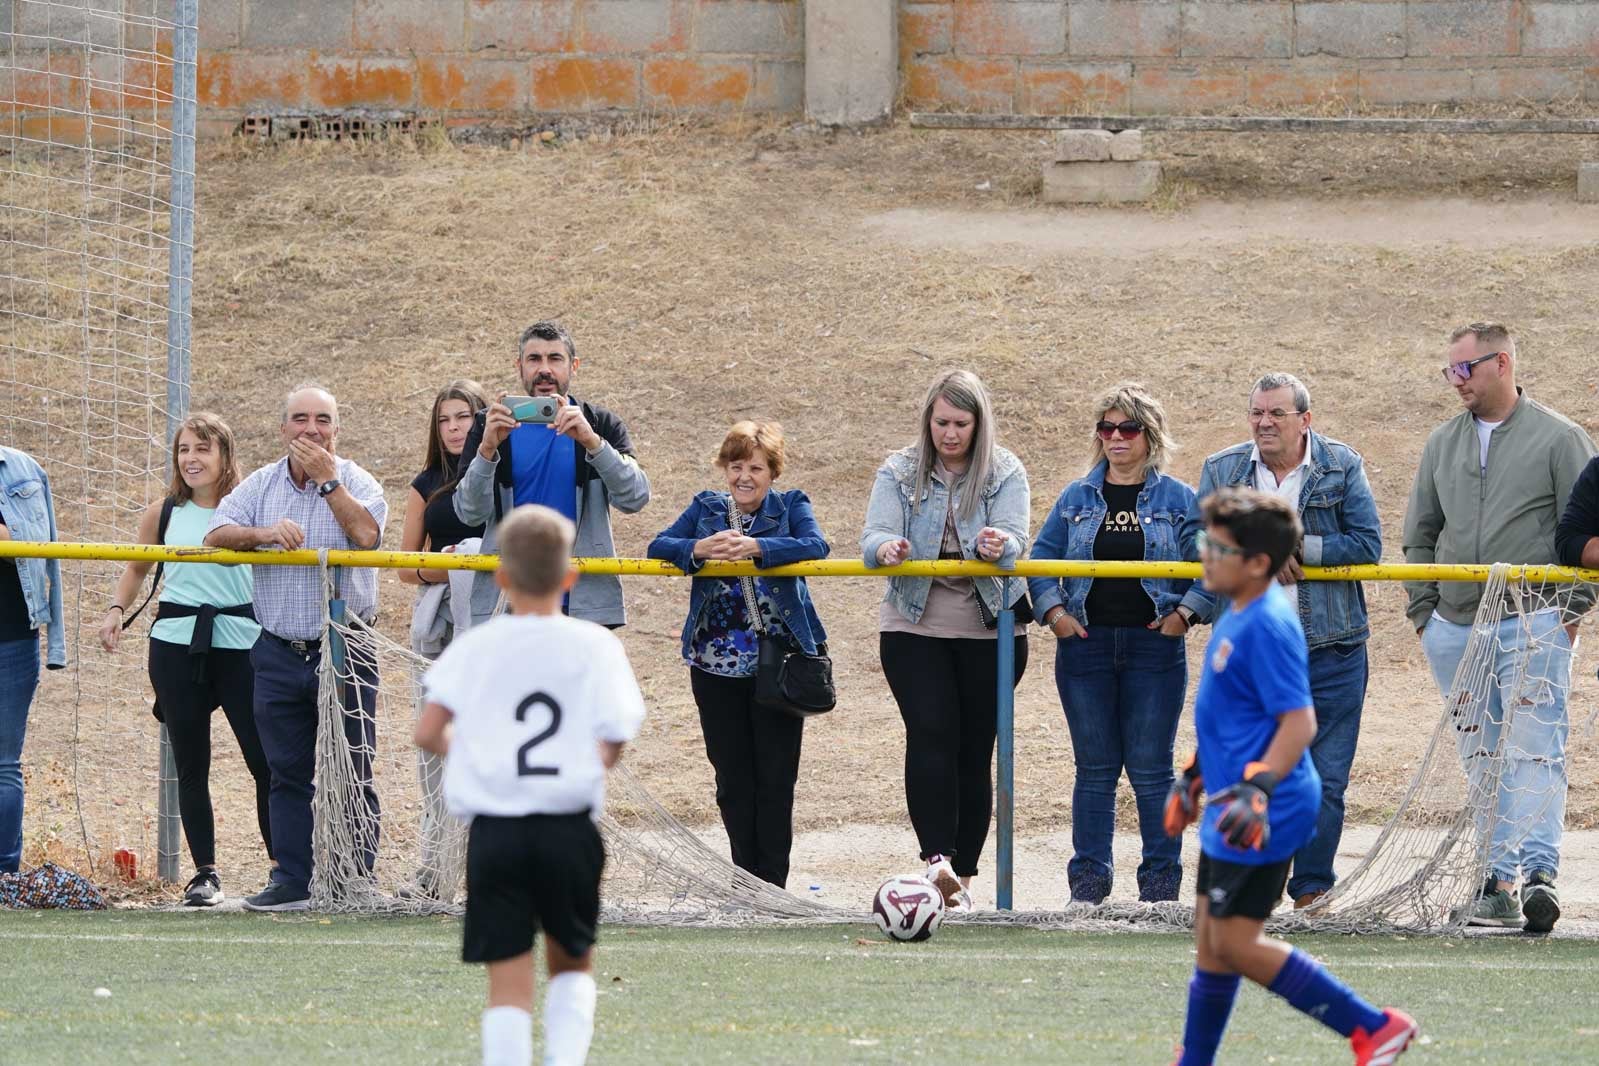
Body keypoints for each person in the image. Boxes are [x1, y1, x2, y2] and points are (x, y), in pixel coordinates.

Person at [1164, 486, 1415, 1066]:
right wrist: (1195, 776)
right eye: (1205, 542)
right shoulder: (1237, 609)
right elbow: (1233, 716)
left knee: (1232, 942)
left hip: (1267, 808)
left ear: (1257, 564)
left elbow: (1299, 723)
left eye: (1217, 548)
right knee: (1210, 937)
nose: (1204, 555)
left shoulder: (1267, 625)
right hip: (1235, 800)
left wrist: (1257, 790)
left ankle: (1374, 1027)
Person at [416, 504, 646, 1066]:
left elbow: (428, 730)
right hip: (567, 828)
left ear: (500, 577)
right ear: (570, 577)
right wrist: (576, 763)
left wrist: (483, 758)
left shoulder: (475, 647)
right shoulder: (596, 646)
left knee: (508, 980)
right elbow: (615, 738)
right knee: (572, 962)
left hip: (497, 832)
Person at [1402, 322, 1594, 933]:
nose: (1455, 381)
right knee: (1480, 756)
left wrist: (1569, 614)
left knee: (1536, 748)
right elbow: (1420, 532)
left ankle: (1540, 877)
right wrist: (1424, 615)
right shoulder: (1441, 442)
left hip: (1534, 619)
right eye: (1449, 371)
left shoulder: (1562, 438)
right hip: (1455, 626)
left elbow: (1581, 529)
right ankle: (1496, 884)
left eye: (1465, 369)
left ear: (1502, 363)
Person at [1178, 372, 1382, 911]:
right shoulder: (1222, 468)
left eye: (1277, 414)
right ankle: (1250, 889)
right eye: (1257, 413)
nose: (1264, 423)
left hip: (1332, 646)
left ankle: (1311, 891)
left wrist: (1299, 549)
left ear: (1305, 420)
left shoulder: (1343, 464)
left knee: (1327, 778)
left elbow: (1367, 545)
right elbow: (1194, 541)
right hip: (1249, 651)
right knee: (1240, 765)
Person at [205, 382, 389, 912]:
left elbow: (367, 538)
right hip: (278, 649)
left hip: (346, 645)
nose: (312, 430)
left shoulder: (355, 479)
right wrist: (261, 534)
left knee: (354, 764)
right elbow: (215, 534)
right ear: (283, 428)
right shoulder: (262, 485)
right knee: (284, 770)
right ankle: (292, 878)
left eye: (322, 421)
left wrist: (330, 484)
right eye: (301, 420)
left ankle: (356, 877)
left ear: (337, 428)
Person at [862, 369, 1030, 912]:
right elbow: (872, 537)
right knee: (930, 731)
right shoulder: (900, 469)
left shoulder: (1005, 470)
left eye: (961, 424)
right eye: (941, 423)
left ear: (979, 425)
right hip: (914, 622)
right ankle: (936, 859)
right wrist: (887, 548)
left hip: (990, 624)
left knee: (975, 748)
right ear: (927, 420)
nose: (950, 434)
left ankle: (965, 874)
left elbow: (1016, 541)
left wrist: (996, 542)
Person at [1028, 383, 1196, 904]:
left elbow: (1212, 563)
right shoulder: (1076, 497)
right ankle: (1088, 886)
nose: (1116, 438)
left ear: (1150, 434)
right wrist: (1054, 613)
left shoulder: (1179, 498)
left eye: (1128, 428)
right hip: (1085, 646)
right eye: (1107, 428)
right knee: (1095, 769)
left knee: (1152, 769)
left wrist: (1185, 616)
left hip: (1155, 649)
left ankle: (1161, 888)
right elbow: (1040, 558)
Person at [97, 413, 271, 906]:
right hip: (176, 644)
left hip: (242, 643)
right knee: (190, 764)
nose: (191, 459)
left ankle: (284, 868)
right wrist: (115, 610)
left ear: (225, 456)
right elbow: (137, 568)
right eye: (183, 450)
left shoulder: (247, 508)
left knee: (265, 763)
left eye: (203, 449)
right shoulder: (164, 512)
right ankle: (205, 874)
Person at [647, 421, 829, 889]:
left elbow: (816, 545)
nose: (744, 477)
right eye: (736, 466)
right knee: (732, 778)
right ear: (724, 469)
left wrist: (758, 547)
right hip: (714, 665)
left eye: (756, 467)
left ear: (772, 472)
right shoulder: (706, 507)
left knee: (775, 777)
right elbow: (658, 546)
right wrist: (698, 549)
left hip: (777, 663)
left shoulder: (792, 505)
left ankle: (773, 885)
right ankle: (744, 880)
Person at [455, 321, 649, 627]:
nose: (544, 369)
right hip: (506, 604)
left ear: (574, 366)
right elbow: (468, 513)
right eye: (534, 359)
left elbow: (636, 498)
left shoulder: (600, 423)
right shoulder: (487, 425)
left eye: (555, 358)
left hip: (583, 605)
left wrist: (593, 443)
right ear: (519, 366)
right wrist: (488, 449)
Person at [399, 380, 496, 900]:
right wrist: (448, 569)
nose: (455, 427)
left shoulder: (500, 477)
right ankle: (435, 869)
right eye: (445, 420)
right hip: (439, 631)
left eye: (464, 416)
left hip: (494, 628)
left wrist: (477, 561)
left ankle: (490, 869)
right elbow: (405, 566)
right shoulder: (424, 484)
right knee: (436, 753)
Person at [0, 446, 65, 875]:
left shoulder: (25, 469)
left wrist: (56, 640)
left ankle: (5, 875)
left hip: (14, 637)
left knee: (5, 764)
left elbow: (50, 558)